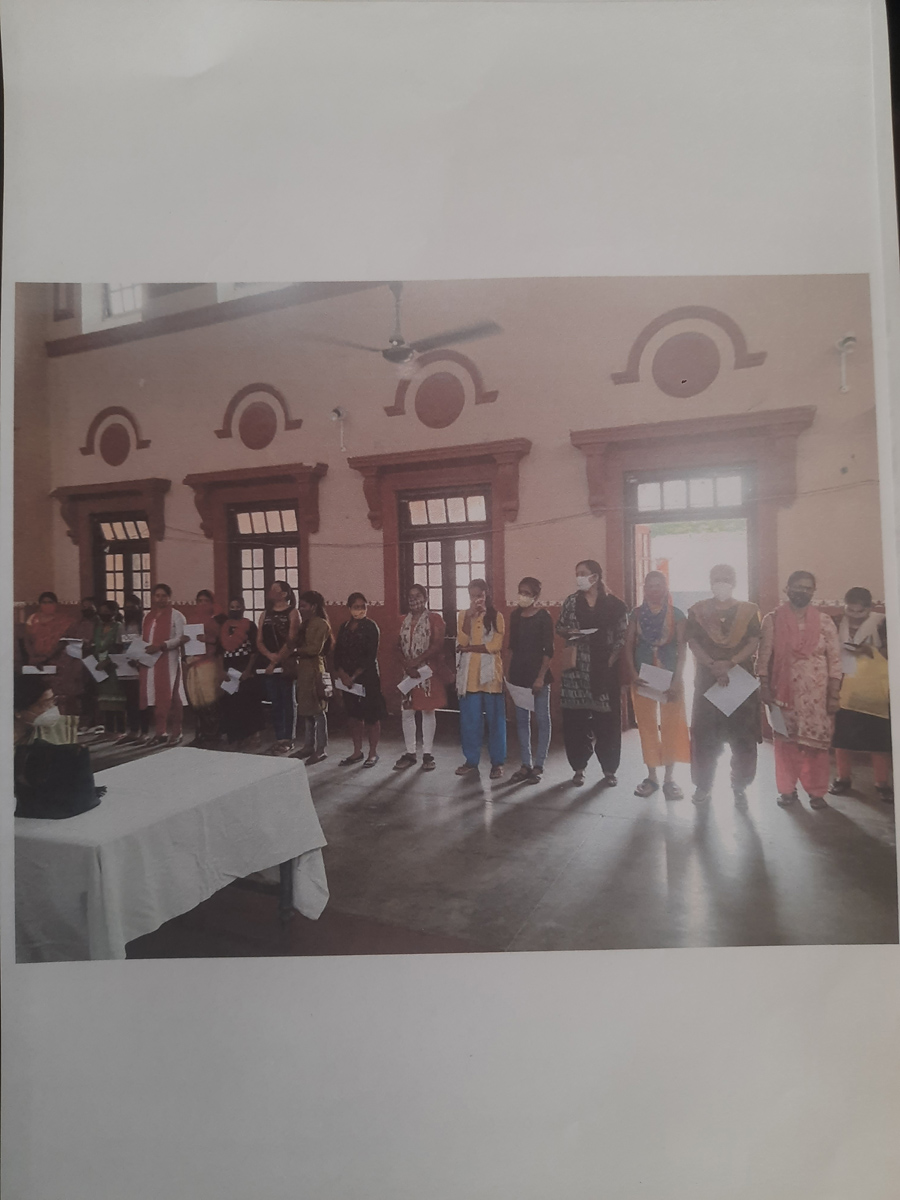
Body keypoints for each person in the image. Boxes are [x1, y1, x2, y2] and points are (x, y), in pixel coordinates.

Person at [757, 571, 843, 810]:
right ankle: (787, 790)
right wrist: (764, 687)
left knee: (816, 746)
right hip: (782, 696)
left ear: (813, 592)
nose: (802, 591)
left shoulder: (824, 621)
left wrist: (834, 695)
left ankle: (816, 792)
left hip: (818, 698)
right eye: (797, 586)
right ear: (787, 589)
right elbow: (763, 658)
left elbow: (835, 661)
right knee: (785, 744)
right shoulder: (772, 619)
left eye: (807, 588)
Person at [686, 564, 762, 805]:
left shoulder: (749, 611)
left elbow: (754, 642)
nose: (722, 582)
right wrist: (712, 664)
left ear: (734, 582)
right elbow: (693, 642)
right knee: (705, 734)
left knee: (743, 734)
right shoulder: (698, 611)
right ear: (710, 582)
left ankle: (740, 784)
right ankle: (703, 785)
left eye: (726, 578)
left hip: (739, 678)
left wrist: (730, 663)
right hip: (708, 679)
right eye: (717, 578)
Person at [556, 560, 629, 787]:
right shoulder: (571, 602)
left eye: (583, 573)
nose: (579, 577)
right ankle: (578, 768)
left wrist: (609, 661)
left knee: (607, 723)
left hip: (603, 671)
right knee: (575, 722)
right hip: (575, 672)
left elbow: (621, 637)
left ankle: (609, 769)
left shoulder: (615, 605)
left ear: (595, 577)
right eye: (577, 573)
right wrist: (570, 631)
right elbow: (560, 627)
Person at [623, 571, 691, 800]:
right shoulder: (636, 614)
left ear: (665, 588)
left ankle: (670, 779)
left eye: (658, 585)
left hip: (670, 678)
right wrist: (633, 674)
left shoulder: (677, 614)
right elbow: (628, 645)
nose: (654, 590)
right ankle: (651, 777)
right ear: (644, 589)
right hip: (643, 678)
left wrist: (677, 680)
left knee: (672, 725)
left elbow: (682, 650)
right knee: (647, 726)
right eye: (650, 586)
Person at [829, 587, 893, 804]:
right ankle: (843, 778)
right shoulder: (836, 621)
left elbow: (893, 651)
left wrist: (869, 652)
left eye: (860, 612)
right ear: (844, 605)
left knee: (879, 739)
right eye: (850, 610)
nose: (855, 615)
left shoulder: (882, 622)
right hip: (844, 686)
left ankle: (882, 783)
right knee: (841, 737)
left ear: (870, 607)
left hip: (874, 688)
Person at [455, 578, 506, 778]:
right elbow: (461, 640)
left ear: (487, 595)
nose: (476, 599)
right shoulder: (463, 615)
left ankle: (497, 763)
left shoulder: (496, 616)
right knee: (470, 721)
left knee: (495, 721)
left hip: (491, 677)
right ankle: (471, 760)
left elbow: (495, 646)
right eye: (472, 596)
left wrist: (469, 649)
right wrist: (469, 617)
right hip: (469, 677)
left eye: (480, 595)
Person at [393, 583, 447, 772]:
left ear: (425, 598)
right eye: (410, 596)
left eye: (417, 596)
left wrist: (417, 662)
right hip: (408, 673)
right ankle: (410, 753)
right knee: (407, 712)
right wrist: (407, 665)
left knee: (427, 711)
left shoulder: (435, 619)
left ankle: (428, 754)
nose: (413, 599)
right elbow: (396, 647)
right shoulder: (401, 620)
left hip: (426, 672)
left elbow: (437, 645)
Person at [506, 576, 554, 784]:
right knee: (521, 720)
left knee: (542, 720)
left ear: (536, 595)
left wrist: (540, 677)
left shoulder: (544, 617)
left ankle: (539, 765)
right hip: (518, 675)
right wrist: (507, 674)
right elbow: (512, 647)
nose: (523, 596)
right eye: (521, 592)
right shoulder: (515, 616)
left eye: (527, 593)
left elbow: (548, 650)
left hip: (538, 677)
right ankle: (525, 763)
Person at [333, 592, 386, 767]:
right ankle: (357, 751)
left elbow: (370, 656)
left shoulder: (371, 627)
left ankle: (372, 753)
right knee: (354, 716)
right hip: (347, 681)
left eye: (363, 606)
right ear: (349, 608)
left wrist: (354, 677)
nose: (360, 610)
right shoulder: (344, 627)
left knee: (372, 716)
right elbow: (337, 653)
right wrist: (342, 674)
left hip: (367, 678)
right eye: (356, 607)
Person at [21, 591, 81, 743]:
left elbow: (64, 642)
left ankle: (61, 730)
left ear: (56, 604)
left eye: (50, 602)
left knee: (59, 696)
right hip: (36, 663)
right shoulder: (33, 619)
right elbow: (27, 640)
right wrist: (34, 657)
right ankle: (38, 730)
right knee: (38, 696)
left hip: (58, 662)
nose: (47, 605)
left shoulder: (65, 620)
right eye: (44, 602)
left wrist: (47, 657)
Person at [140, 583, 189, 747]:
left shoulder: (177, 616)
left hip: (169, 661)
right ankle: (160, 732)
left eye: (163, 596)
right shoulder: (148, 616)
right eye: (157, 596)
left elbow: (181, 638)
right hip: (151, 662)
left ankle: (177, 732)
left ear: (169, 597)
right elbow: (144, 638)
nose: (160, 599)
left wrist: (161, 645)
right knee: (155, 697)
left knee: (173, 697)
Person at [256, 580, 301, 755]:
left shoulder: (293, 612)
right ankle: (279, 737)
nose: (271, 592)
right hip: (268, 664)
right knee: (275, 702)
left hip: (285, 664)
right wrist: (269, 656)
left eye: (275, 590)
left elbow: (292, 641)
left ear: (284, 594)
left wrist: (275, 660)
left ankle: (288, 739)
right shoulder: (265, 614)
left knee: (288, 701)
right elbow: (259, 640)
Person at [291, 590, 333, 765]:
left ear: (314, 607)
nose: (301, 609)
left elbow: (315, 649)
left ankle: (321, 749)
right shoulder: (305, 624)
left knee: (318, 711)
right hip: (303, 670)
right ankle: (308, 746)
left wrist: (296, 651)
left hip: (315, 669)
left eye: (304, 606)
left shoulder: (322, 624)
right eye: (300, 606)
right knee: (306, 710)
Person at [218, 596, 265, 749]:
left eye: (238, 607)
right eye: (232, 607)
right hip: (229, 671)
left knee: (249, 703)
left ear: (243, 608)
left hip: (245, 669)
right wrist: (222, 670)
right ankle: (236, 737)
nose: (235, 609)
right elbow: (220, 651)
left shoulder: (250, 626)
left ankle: (254, 736)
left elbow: (254, 651)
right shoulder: (224, 627)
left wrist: (248, 670)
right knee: (231, 704)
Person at [184, 589, 225, 748]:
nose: (202, 604)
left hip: (208, 664)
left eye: (206, 601)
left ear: (212, 603)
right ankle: (200, 734)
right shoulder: (191, 620)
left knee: (209, 700)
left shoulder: (215, 622)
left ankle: (213, 735)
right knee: (196, 700)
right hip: (192, 665)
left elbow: (220, 643)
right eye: (199, 601)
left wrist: (207, 639)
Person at [88, 599, 126, 736]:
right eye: (101, 612)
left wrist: (108, 661)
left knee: (117, 698)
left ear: (114, 612)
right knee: (105, 699)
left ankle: (120, 730)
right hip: (99, 666)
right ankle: (109, 729)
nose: (103, 614)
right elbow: (95, 645)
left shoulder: (119, 627)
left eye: (106, 611)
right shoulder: (98, 628)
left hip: (113, 665)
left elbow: (120, 647)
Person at [118, 594, 151, 744]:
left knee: (142, 701)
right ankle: (133, 730)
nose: (129, 610)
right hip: (126, 668)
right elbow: (121, 645)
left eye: (132, 607)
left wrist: (139, 661)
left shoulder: (144, 625)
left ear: (139, 608)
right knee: (130, 701)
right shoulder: (122, 626)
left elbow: (148, 646)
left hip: (140, 667)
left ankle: (145, 732)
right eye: (126, 607)